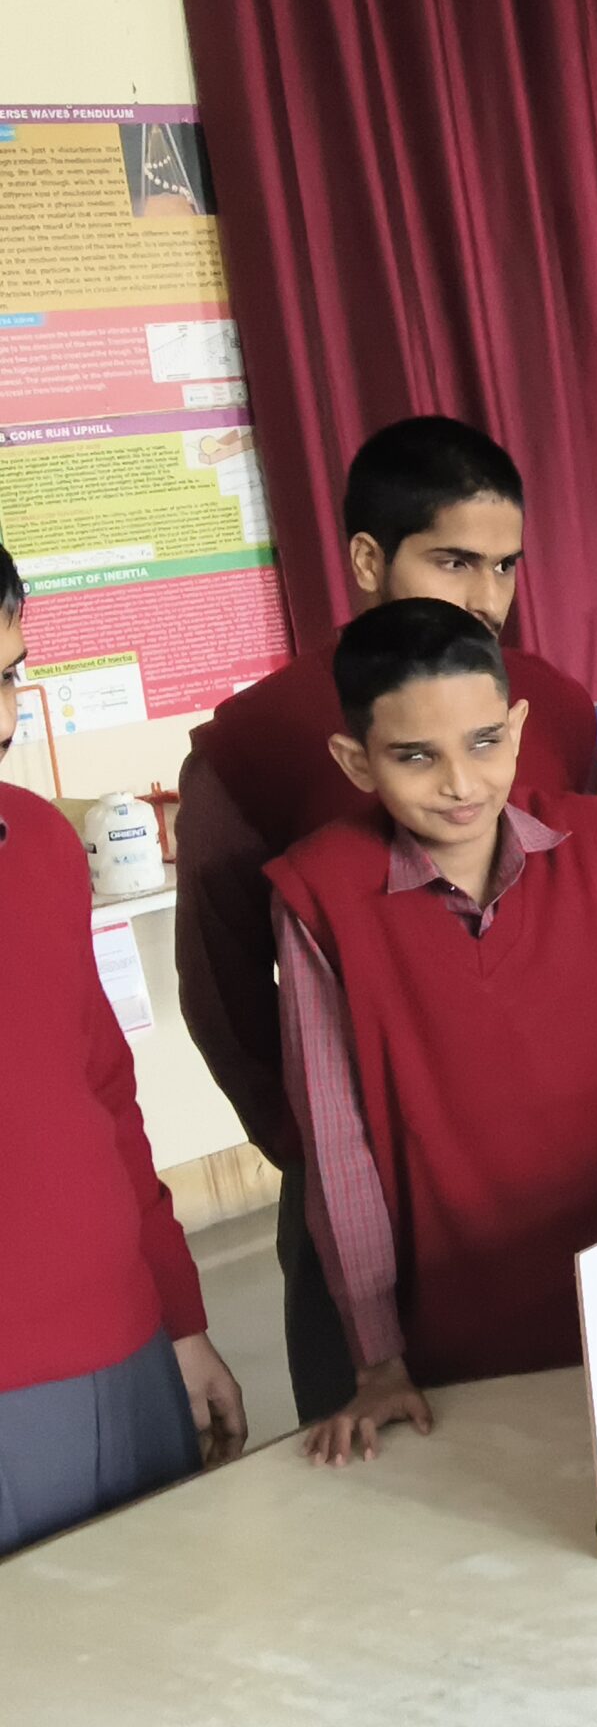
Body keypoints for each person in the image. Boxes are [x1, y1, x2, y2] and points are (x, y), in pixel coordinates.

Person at [176, 415, 597, 1423]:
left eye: (505, 566)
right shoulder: (254, 741)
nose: (486, 599)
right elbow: (222, 984)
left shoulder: (549, 704)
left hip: (562, 1155)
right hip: (363, 1161)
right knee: (380, 1439)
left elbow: (590, 921)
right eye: (454, 562)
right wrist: (308, 1143)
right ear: (369, 559)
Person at [269, 600, 597, 1466]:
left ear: (518, 727)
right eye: (416, 756)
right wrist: (378, 1359)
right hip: (441, 1319)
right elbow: (335, 1139)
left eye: (485, 742)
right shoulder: (317, 894)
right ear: (355, 761)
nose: (461, 783)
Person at [1, 542, 245, 1552]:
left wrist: (179, 1319)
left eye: (6, 676)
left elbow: (105, 1092)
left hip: (127, 1346)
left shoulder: (39, 846)